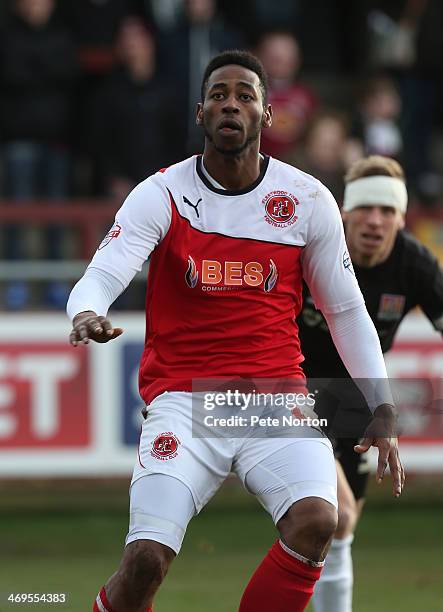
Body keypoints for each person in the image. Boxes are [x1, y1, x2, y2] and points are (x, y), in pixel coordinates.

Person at [67, 51, 403, 612]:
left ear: (267, 114)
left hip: (273, 400)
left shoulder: (308, 200)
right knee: (146, 562)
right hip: (184, 399)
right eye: (220, 95)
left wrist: (382, 405)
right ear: (201, 113)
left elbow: (346, 312)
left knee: (319, 521)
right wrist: (86, 310)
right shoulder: (163, 193)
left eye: (245, 95)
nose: (231, 103)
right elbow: (105, 270)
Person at [298, 155, 443, 612]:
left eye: (388, 212)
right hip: (290, 387)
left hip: (358, 398)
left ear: (402, 220)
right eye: (365, 208)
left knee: (342, 525)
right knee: (333, 514)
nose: (374, 222)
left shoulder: (415, 265)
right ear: (345, 211)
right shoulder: (310, 246)